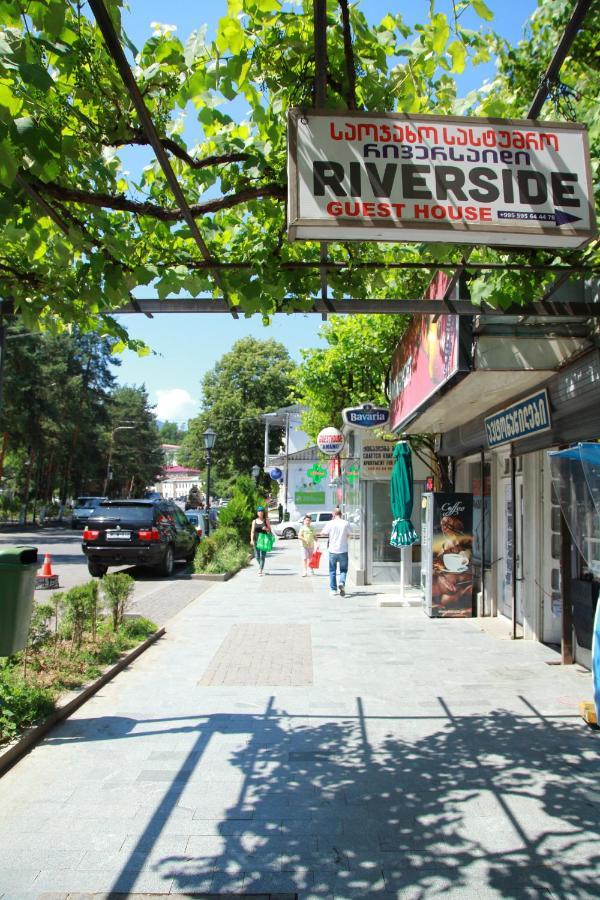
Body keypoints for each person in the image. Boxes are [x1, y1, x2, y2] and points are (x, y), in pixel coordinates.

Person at [321, 507, 350, 597]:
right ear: (341, 514)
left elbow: (323, 533)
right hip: (343, 550)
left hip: (333, 550)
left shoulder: (330, 523)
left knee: (332, 570)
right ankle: (341, 582)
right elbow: (349, 533)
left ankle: (333, 590)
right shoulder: (346, 523)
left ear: (334, 514)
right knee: (343, 570)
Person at [250, 506, 272, 576]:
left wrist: (266, 529)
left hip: (264, 540)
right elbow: (252, 531)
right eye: (259, 511)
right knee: (257, 556)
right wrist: (251, 540)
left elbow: (270, 531)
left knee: (262, 556)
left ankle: (260, 570)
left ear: (263, 513)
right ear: (257, 513)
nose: (260, 513)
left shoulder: (266, 520)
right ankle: (261, 566)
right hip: (256, 540)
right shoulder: (254, 521)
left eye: (262, 511)